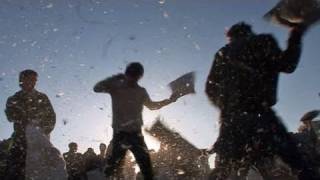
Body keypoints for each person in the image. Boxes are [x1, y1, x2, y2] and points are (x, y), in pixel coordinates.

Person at [205, 22, 319, 180]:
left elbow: (210, 89)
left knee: (223, 168)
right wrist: (296, 33)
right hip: (262, 115)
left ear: (230, 36)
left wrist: (227, 107)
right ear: (249, 32)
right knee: (296, 162)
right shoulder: (263, 41)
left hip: (232, 118)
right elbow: (288, 64)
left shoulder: (223, 52)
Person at [93, 62, 178, 180]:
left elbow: (152, 106)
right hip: (120, 134)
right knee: (113, 169)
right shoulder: (116, 87)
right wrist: (113, 79)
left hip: (136, 134)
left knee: (147, 169)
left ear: (140, 76)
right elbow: (96, 88)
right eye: (131, 74)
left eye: (136, 75)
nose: (133, 78)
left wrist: (169, 100)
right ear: (126, 74)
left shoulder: (141, 91)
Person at [4, 69, 56, 180]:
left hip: (39, 140)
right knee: (15, 171)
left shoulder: (42, 97)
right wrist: (25, 118)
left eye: (34, 80)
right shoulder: (13, 98)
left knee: (40, 172)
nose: (32, 82)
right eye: (29, 79)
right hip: (20, 139)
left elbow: (51, 117)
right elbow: (10, 116)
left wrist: (42, 132)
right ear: (21, 80)